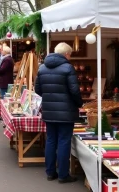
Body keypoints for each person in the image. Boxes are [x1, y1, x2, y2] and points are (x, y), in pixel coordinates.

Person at [34, 42, 83, 184]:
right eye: (70, 54)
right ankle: (63, 175)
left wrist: (49, 97)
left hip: (49, 111)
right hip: (66, 112)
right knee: (63, 142)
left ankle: (50, 172)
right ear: (66, 54)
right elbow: (74, 91)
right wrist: (79, 104)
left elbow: (38, 89)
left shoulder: (42, 68)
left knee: (50, 140)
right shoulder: (68, 68)